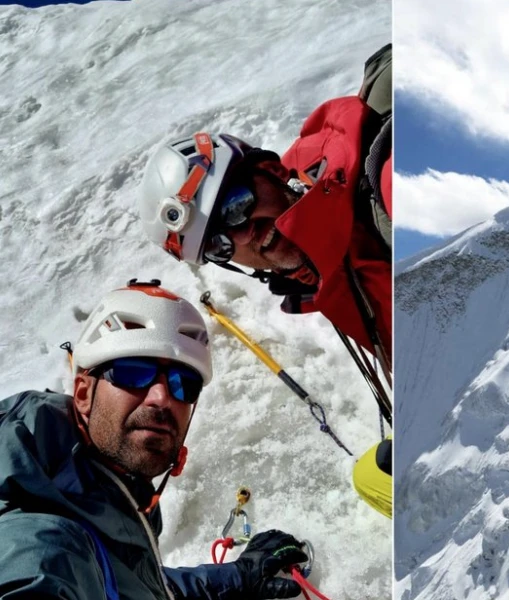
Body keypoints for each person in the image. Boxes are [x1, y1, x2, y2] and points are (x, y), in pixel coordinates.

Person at [137, 44, 392, 518]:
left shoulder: (383, 187)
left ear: (272, 170)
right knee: (368, 478)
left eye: (235, 204)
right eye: (220, 244)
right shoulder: (328, 268)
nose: (245, 234)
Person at [0, 280, 308, 599]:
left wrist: (239, 576)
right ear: (82, 394)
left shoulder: (113, 482)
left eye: (184, 384)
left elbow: (137, 587)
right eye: (133, 373)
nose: (162, 398)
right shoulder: (40, 540)